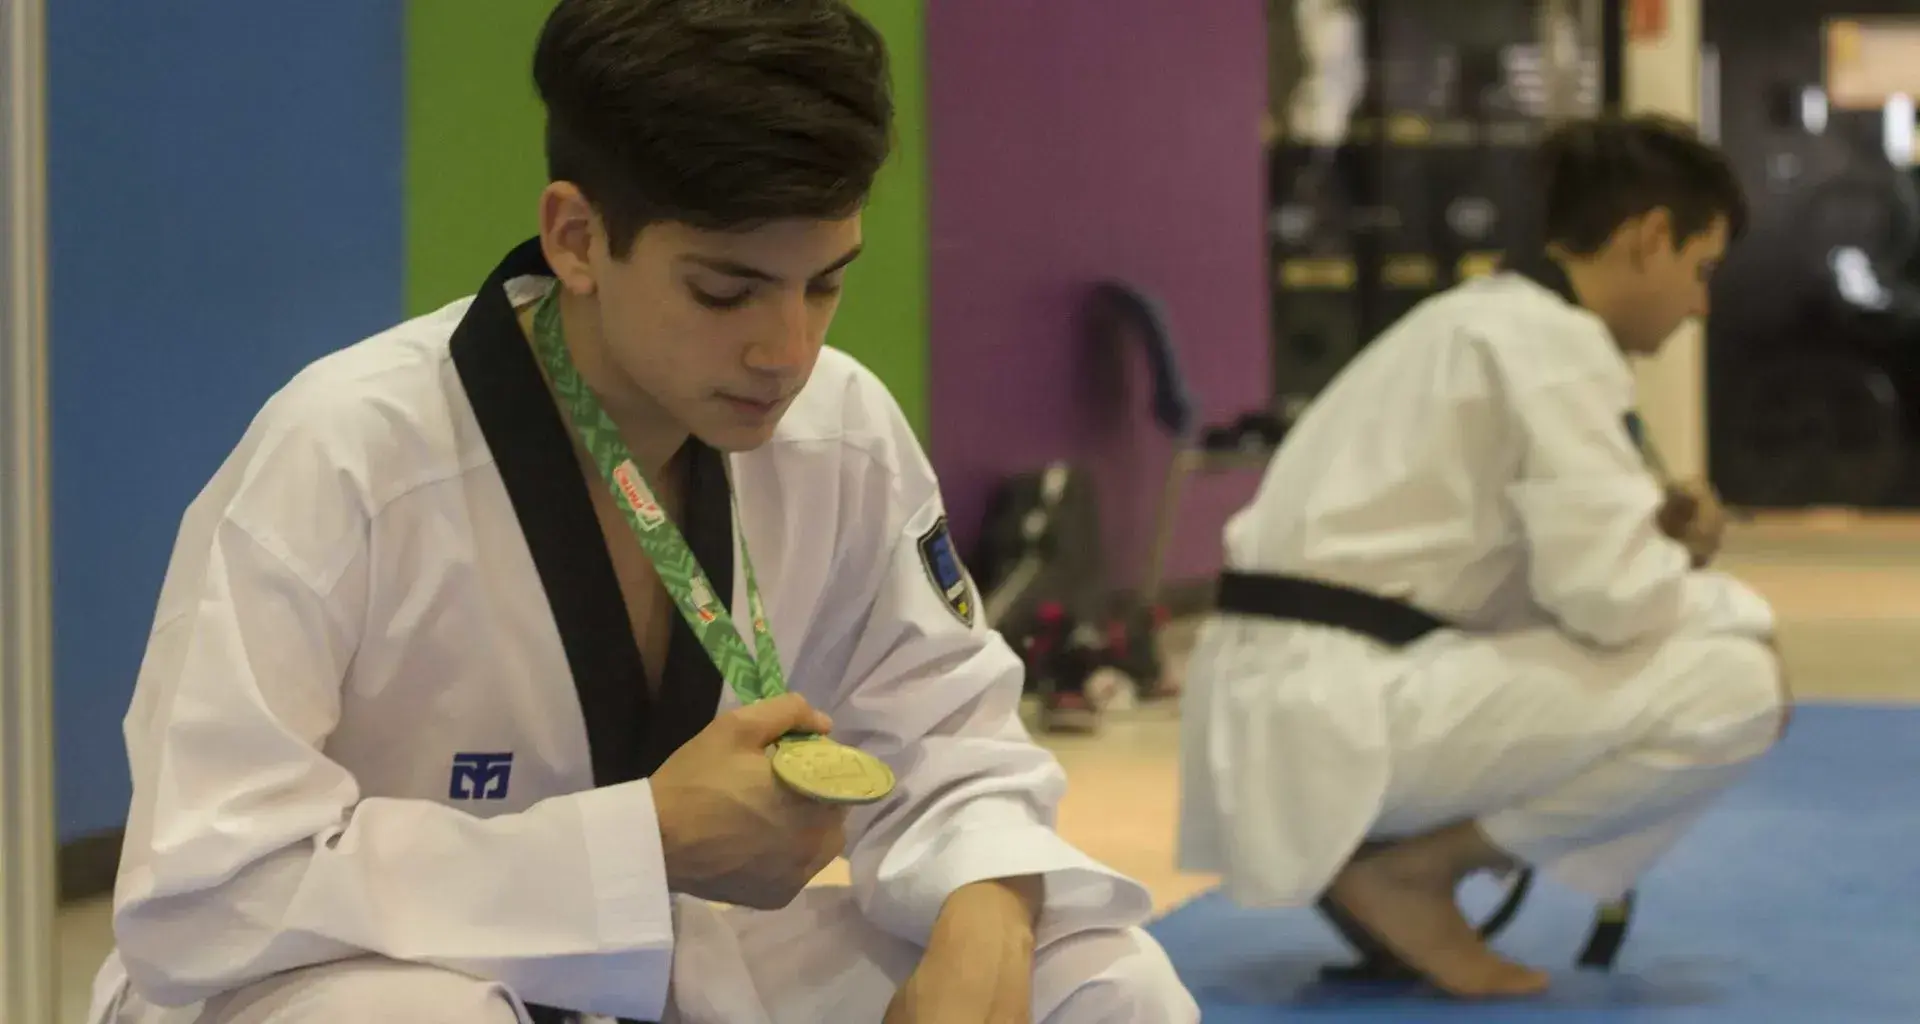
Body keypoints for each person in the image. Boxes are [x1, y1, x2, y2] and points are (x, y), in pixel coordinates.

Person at [85, 3, 1197, 1022]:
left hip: (672, 962)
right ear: (576, 238)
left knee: (1101, 982)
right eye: (725, 291)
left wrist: (986, 919)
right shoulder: (346, 456)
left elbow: (951, 738)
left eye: (824, 283)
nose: (786, 350)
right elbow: (204, 896)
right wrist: (642, 841)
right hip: (336, 982)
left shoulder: (841, 431)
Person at [1176, 114, 1792, 1000]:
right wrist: (1746, 614)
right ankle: (1409, 872)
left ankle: (1377, 862)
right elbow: (1613, 605)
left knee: (1688, 646)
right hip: (1335, 704)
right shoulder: (1555, 348)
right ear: (1651, 237)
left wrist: (1660, 543)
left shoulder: (1478, 319)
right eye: (1702, 271)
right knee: (1737, 685)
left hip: (1284, 699)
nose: (1701, 306)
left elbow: (1539, 572)